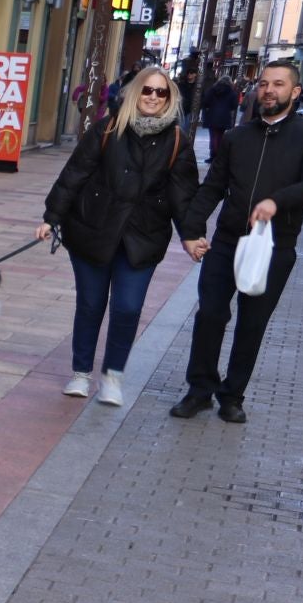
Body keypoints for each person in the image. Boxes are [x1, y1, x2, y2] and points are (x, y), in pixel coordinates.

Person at [171, 60, 303, 423]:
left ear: (295, 92)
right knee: (210, 314)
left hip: (274, 247)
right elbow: (212, 187)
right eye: (263, 84)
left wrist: (277, 201)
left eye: (278, 84)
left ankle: (232, 395)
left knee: (251, 322)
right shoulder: (237, 136)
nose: (269, 90)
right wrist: (192, 232)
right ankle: (199, 390)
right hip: (227, 241)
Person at [37, 66, 200, 407]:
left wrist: (191, 235)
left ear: (170, 99)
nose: (153, 97)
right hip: (93, 230)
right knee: (91, 305)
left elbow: (183, 195)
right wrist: (52, 217)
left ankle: (113, 377)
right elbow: (75, 173)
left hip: (143, 237)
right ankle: (81, 373)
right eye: (147, 90)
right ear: (135, 92)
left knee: (127, 308)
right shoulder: (108, 128)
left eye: (162, 92)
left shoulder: (177, 142)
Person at [201, 74, 238, 160]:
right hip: (224, 117)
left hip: (212, 115)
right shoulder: (231, 92)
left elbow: (205, 101)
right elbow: (234, 105)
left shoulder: (212, 90)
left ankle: (213, 154)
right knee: (220, 136)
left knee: (213, 136)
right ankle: (218, 155)